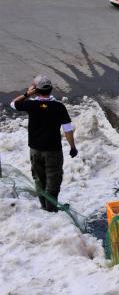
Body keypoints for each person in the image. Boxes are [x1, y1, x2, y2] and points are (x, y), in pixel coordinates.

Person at [10, 75, 78, 212]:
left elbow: (13, 104)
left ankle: (44, 207)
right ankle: (51, 210)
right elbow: (67, 129)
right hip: (53, 151)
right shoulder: (59, 107)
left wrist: (27, 94)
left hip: (35, 150)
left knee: (39, 180)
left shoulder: (31, 104)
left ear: (35, 90)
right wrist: (72, 147)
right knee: (53, 180)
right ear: (51, 89)